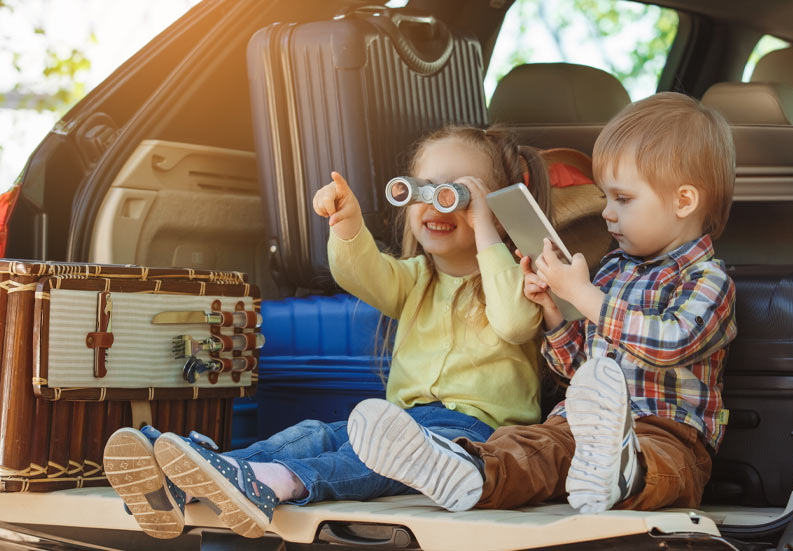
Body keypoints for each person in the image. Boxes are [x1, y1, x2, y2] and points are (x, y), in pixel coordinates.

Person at [103, 125, 552, 538]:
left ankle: (278, 482)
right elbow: (360, 273)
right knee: (317, 433)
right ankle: (197, 474)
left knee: (364, 459)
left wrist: (488, 231)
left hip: (471, 434)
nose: (435, 204)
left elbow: (514, 323)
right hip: (398, 418)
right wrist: (349, 224)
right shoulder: (416, 278)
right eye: (424, 190)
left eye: (456, 194)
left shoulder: (516, 278)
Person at [348, 92, 737, 514]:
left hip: (665, 429)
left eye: (622, 199)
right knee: (529, 447)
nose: (606, 213)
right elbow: (576, 369)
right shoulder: (609, 271)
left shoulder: (708, 280)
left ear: (684, 201)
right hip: (578, 426)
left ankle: (624, 471)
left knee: (671, 469)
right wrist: (554, 313)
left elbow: (671, 344)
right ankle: (467, 471)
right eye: (605, 198)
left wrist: (586, 297)